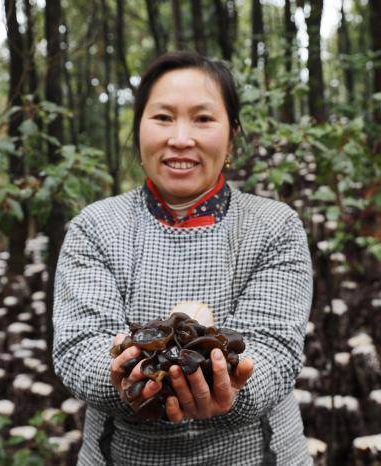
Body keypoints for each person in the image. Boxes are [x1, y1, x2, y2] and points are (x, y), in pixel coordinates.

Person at [52, 51, 313, 466]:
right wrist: (123, 378)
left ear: (232, 135)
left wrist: (234, 388)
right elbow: (80, 344)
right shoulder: (95, 226)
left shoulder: (273, 226)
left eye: (203, 119)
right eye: (163, 117)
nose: (180, 138)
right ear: (139, 129)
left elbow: (274, 349)